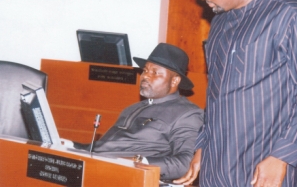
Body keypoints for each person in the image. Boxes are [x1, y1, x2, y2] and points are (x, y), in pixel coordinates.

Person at [174, 0, 297, 187]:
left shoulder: (290, 13)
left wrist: (282, 156)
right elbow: (216, 93)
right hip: (219, 165)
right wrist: (204, 145)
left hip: (267, 164)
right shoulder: (220, 23)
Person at [73, 43, 204, 180]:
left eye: (155, 72)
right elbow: (105, 148)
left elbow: (184, 163)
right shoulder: (131, 109)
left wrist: (137, 162)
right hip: (95, 168)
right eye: (145, 70)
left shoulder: (187, 114)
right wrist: (70, 146)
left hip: (125, 177)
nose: (146, 76)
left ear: (175, 80)